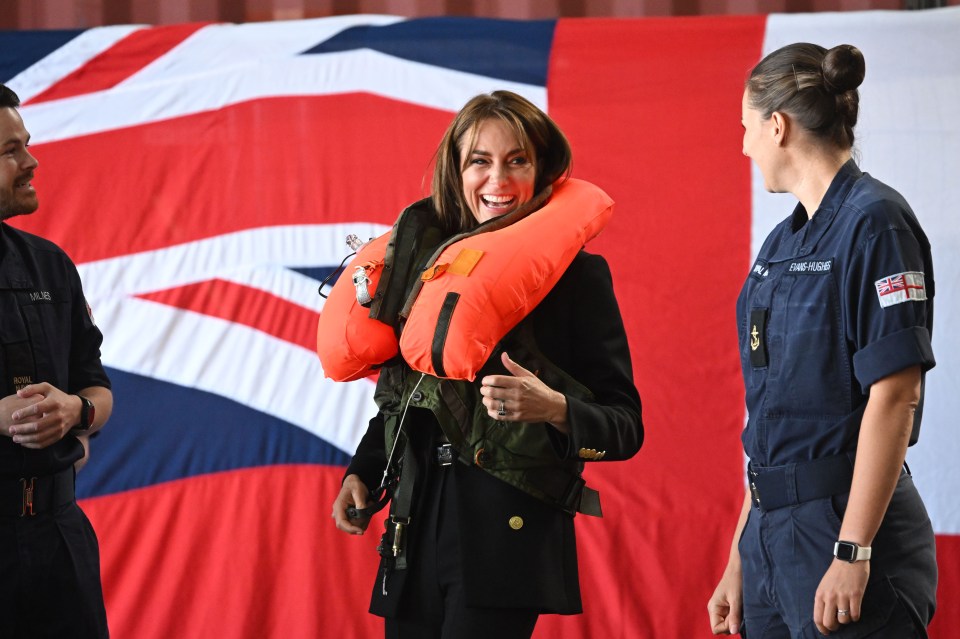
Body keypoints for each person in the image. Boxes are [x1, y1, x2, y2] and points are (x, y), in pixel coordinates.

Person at [330, 90, 643, 638]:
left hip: (502, 543)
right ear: (457, 171)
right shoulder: (424, 267)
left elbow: (625, 427)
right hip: (413, 527)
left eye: (516, 160)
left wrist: (555, 408)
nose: (497, 180)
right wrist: (362, 470)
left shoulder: (578, 279)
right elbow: (406, 400)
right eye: (480, 161)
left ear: (541, 170)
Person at [707, 44, 937, 638]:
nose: (742, 146)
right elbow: (772, 420)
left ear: (776, 126)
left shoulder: (875, 221)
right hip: (768, 540)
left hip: (843, 532)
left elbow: (895, 396)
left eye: (746, 128)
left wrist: (853, 551)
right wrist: (740, 557)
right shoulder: (780, 246)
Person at [0, 83, 114, 638]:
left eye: (26, 144)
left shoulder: (49, 266)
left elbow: (98, 389)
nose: (31, 160)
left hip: (59, 536)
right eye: (9, 152)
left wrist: (76, 411)